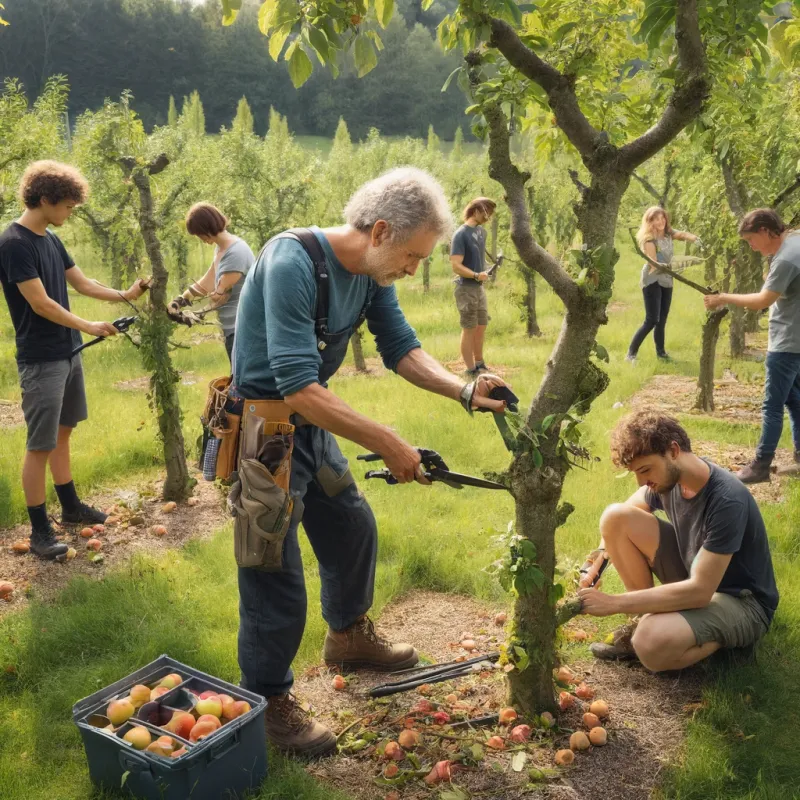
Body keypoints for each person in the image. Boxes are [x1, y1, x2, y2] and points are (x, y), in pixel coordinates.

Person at [232, 168, 510, 756]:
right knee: (272, 571)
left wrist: (464, 389)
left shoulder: (371, 272)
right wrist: (387, 440)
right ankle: (266, 702)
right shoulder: (292, 262)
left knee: (351, 525)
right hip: (266, 433)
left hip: (311, 425)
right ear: (380, 230)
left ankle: (349, 635)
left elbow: (402, 348)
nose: (414, 269)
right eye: (412, 257)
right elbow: (297, 384)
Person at [0, 161, 148, 560]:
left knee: (64, 433)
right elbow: (40, 302)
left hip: (68, 352)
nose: (70, 213)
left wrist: (125, 295)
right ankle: (38, 532)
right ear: (45, 199)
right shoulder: (13, 243)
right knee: (39, 445)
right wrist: (88, 324)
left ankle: (69, 508)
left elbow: (81, 283)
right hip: (42, 359)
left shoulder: (50, 238)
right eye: (66, 206)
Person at [577, 411, 779, 670]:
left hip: (743, 601)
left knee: (649, 642)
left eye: (645, 469)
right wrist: (595, 563)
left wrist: (614, 603)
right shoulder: (668, 482)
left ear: (673, 451)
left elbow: (700, 591)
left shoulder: (727, 499)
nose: (642, 481)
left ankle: (719, 643)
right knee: (614, 518)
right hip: (698, 577)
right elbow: (622, 518)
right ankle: (653, 622)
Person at [705, 209, 800, 483]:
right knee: (795, 401)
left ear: (764, 230)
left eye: (750, 240)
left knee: (772, 405)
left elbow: (762, 301)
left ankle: (760, 465)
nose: (752, 246)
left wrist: (723, 298)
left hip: (786, 342)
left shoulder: (786, 259)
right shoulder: (794, 241)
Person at [168, 203, 254, 364]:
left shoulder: (236, 253)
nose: (200, 239)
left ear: (206, 230)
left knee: (243, 383)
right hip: (232, 328)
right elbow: (207, 283)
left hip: (243, 329)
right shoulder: (222, 249)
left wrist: (194, 315)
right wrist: (180, 300)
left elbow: (219, 297)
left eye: (199, 234)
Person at [626, 206, 701, 363]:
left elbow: (680, 234)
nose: (660, 222)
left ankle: (661, 353)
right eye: (656, 219)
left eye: (662, 218)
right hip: (653, 278)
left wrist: (693, 238)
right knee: (652, 319)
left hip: (667, 278)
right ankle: (631, 354)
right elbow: (654, 265)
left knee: (662, 319)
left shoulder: (668, 234)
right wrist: (675, 266)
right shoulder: (649, 240)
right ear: (650, 222)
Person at [450, 197, 496, 377]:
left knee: (481, 325)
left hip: (479, 288)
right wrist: (476, 275)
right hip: (466, 289)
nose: (488, 216)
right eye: (486, 212)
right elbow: (456, 265)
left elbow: (478, 260)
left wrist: (484, 271)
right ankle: (470, 370)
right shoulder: (461, 234)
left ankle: (479, 363)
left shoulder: (481, 232)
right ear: (475, 210)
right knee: (469, 327)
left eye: (491, 213)